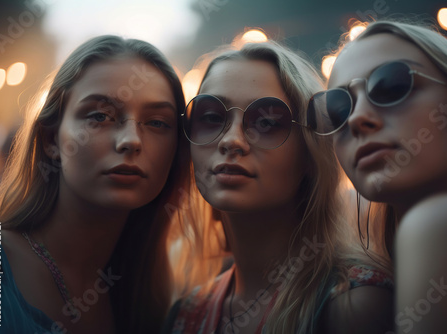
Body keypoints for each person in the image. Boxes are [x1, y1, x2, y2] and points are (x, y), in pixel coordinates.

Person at [163, 40, 394, 334]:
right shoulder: (186, 315)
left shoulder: (352, 304)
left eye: (268, 122)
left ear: (311, 153)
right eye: (211, 117)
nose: (231, 140)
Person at [0, 35, 190, 333]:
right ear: (50, 139)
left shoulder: (156, 300)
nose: (131, 140)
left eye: (157, 122)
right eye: (100, 116)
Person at [308, 20, 447, 333]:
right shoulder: (362, 286)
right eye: (337, 109)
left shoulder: (445, 222)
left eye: (391, 85)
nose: (358, 118)